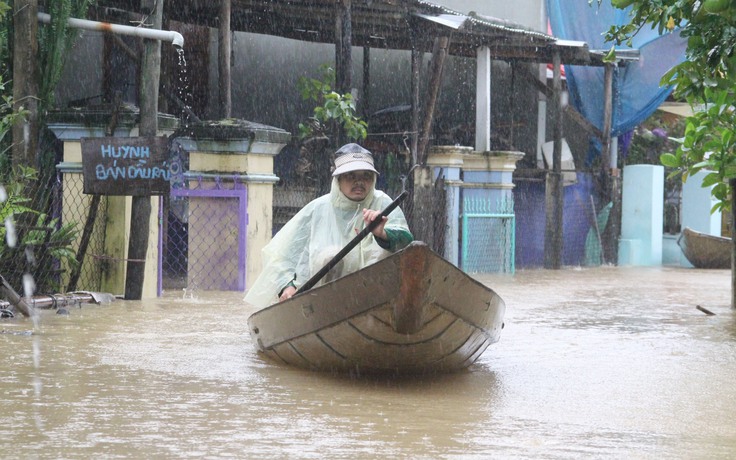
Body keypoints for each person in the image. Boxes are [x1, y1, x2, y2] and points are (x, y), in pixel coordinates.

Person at [244, 143, 413, 308]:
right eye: (351, 176)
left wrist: (382, 234)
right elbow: (281, 256)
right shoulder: (318, 209)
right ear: (337, 180)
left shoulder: (382, 202)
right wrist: (287, 286)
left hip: (373, 297)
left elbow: (406, 242)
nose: (359, 182)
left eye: (366, 176)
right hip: (323, 302)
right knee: (330, 256)